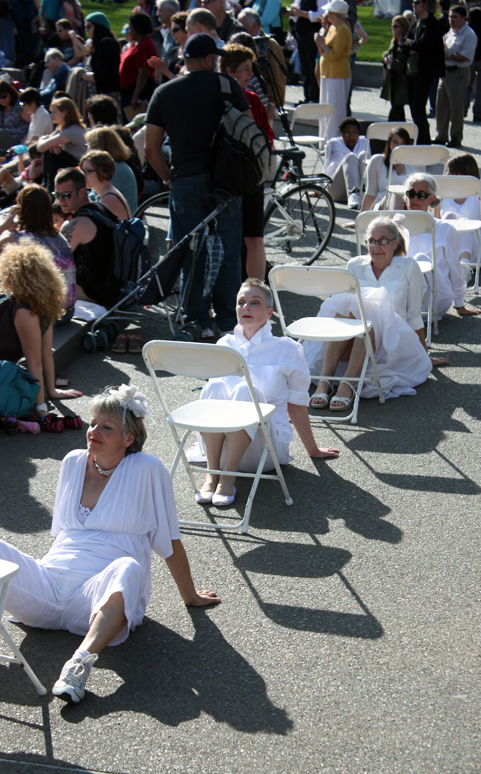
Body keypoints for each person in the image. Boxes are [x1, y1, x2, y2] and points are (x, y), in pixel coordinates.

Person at [0, 384, 220, 704]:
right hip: (46, 592)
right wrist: (35, 580)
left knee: (128, 568)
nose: (93, 431)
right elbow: (59, 536)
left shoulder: (147, 469)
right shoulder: (73, 462)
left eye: (106, 427)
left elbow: (169, 538)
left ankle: (78, 666)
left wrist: (190, 596)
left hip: (100, 597)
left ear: (128, 438)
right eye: (92, 424)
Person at [194, 280, 338, 506]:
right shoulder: (224, 344)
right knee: (213, 387)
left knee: (245, 390)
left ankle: (228, 478)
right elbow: (213, 405)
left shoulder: (288, 348)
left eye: (255, 302)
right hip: (220, 450)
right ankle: (212, 474)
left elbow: (297, 404)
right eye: (241, 302)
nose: (246, 308)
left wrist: (313, 449)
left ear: (270, 312)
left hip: (266, 450)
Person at [145, 32, 250, 336]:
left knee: (190, 253)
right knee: (229, 252)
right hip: (226, 182)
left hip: (185, 181)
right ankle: (230, 321)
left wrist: (168, 177)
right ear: (208, 59)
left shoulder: (163, 93)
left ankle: (198, 319)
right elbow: (247, 130)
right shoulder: (227, 85)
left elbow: (151, 148)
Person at [305, 216, 435, 412]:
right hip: (351, 341)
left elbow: (414, 316)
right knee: (345, 308)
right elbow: (342, 307)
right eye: (371, 241)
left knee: (372, 312)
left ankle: (346, 385)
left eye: (383, 240)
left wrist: (423, 353)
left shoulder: (409, 267)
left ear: (396, 242)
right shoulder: (355, 265)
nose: (376, 246)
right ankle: (325, 382)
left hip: (392, 339)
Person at [0, 240, 82, 428]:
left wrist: (52, 392)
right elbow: (35, 360)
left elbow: (44, 355)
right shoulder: (24, 311)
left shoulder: (40, 306)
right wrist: (42, 408)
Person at [218, 44, 274, 283]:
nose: (251, 74)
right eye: (246, 69)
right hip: (223, 178)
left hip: (251, 178)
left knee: (254, 238)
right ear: (230, 71)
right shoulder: (216, 99)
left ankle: (258, 293)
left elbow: (267, 137)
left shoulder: (252, 99)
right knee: (223, 237)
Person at [403, 173, 481, 319]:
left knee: (420, 261)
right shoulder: (395, 225)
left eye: (421, 195)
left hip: (436, 296)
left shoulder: (445, 228)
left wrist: (459, 304)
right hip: (404, 294)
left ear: (431, 198)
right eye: (411, 194)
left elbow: (454, 267)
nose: (414, 199)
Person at [0, 184, 77, 324]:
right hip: (67, 312)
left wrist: (4, 226)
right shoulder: (59, 237)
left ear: (21, 210)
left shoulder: (16, 239)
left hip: (43, 316)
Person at [55, 167, 117, 306]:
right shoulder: (101, 209)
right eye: (56, 195)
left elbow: (53, 263)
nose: (61, 200)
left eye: (66, 194)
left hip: (94, 293)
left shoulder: (75, 224)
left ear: (82, 192)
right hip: (113, 286)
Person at [434, 5, 478, 149]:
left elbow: (466, 57)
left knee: (456, 107)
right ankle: (441, 135)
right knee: (441, 106)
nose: (451, 20)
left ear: (464, 18)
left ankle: (456, 137)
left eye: (455, 17)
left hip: (458, 73)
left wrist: (449, 55)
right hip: (445, 72)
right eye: (450, 17)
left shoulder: (469, 34)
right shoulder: (450, 33)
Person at [404, 0, 445, 145]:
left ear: (425, 4)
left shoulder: (432, 24)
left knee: (418, 110)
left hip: (424, 73)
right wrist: (411, 46)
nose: (413, 5)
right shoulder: (416, 24)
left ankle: (423, 144)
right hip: (411, 73)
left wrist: (412, 46)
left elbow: (423, 45)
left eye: (416, 2)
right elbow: (405, 42)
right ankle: (423, 141)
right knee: (414, 110)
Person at [237, 8, 287, 122]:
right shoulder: (243, 42)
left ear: (254, 25)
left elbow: (278, 77)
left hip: (265, 105)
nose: (239, 30)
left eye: (242, 27)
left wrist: (272, 102)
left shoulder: (270, 45)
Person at [315, 0, 352, 142]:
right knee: (325, 109)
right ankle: (324, 140)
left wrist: (322, 43)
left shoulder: (342, 29)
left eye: (329, 12)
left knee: (335, 111)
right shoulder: (332, 28)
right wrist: (320, 43)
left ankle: (334, 141)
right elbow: (325, 53)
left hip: (338, 75)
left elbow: (335, 55)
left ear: (336, 13)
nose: (327, 14)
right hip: (328, 73)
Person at [37, 95, 87, 192]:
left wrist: (46, 141)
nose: (51, 115)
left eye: (54, 112)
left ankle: (50, 189)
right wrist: (45, 140)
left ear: (65, 113)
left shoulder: (73, 130)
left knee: (51, 153)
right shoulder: (61, 128)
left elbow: (41, 147)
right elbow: (42, 145)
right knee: (50, 150)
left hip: (78, 165)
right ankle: (45, 186)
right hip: (68, 162)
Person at [359, 126, 415, 213]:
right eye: (395, 142)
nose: (398, 147)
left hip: (409, 204)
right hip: (383, 204)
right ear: (389, 143)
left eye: (402, 143)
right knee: (396, 194)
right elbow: (370, 194)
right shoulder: (377, 161)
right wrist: (360, 220)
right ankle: (395, 224)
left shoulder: (415, 164)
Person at [84, 125, 139, 213]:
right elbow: (92, 197)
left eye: (88, 145)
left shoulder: (114, 170)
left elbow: (100, 206)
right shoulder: (106, 167)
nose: (86, 148)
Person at [80, 12, 121, 110]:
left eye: (89, 26)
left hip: (107, 98)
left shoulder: (106, 43)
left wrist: (79, 74)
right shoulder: (98, 44)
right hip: (100, 96)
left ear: (99, 27)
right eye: (85, 27)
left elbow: (99, 76)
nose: (86, 30)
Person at [119, 11, 158, 114]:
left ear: (138, 29)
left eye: (130, 28)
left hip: (137, 93)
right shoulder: (138, 43)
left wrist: (135, 96)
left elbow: (143, 73)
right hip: (128, 92)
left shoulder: (145, 45)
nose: (129, 31)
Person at [324, 116, 365, 209]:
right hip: (336, 190)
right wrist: (318, 189)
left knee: (364, 155)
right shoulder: (333, 143)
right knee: (350, 157)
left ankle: (364, 195)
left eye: (354, 133)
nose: (351, 137)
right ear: (341, 134)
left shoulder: (365, 142)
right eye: (347, 133)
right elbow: (326, 167)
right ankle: (353, 195)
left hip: (361, 190)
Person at [285, 0, 322, 104]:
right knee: (304, 67)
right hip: (301, 33)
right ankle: (308, 97)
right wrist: (292, 12)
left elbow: (322, 14)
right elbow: (297, 5)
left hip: (313, 33)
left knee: (313, 66)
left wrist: (303, 14)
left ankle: (314, 98)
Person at [80, 150, 132, 222]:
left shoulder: (108, 200)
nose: (83, 175)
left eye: (87, 171)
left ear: (101, 171)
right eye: (82, 171)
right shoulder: (108, 193)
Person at [381, 15, 410, 123]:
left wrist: (392, 63)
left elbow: (405, 66)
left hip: (402, 83)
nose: (393, 28)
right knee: (399, 112)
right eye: (392, 26)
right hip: (393, 81)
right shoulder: (394, 42)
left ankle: (391, 134)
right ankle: (404, 134)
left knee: (395, 113)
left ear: (403, 27)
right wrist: (385, 57)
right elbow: (387, 53)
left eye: (396, 26)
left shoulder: (406, 44)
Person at [147, 11, 189, 80]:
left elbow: (183, 83)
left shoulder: (191, 54)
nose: (172, 34)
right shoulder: (174, 51)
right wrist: (163, 71)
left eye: (175, 30)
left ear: (186, 30)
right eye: (171, 30)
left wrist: (165, 71)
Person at [0, 81, 30, 148]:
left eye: (4, 96)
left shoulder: (20, 106)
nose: (2, 100)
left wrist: (24, 143)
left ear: (10, 93)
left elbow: (33, 124)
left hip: (17, 140)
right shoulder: (1, 109)